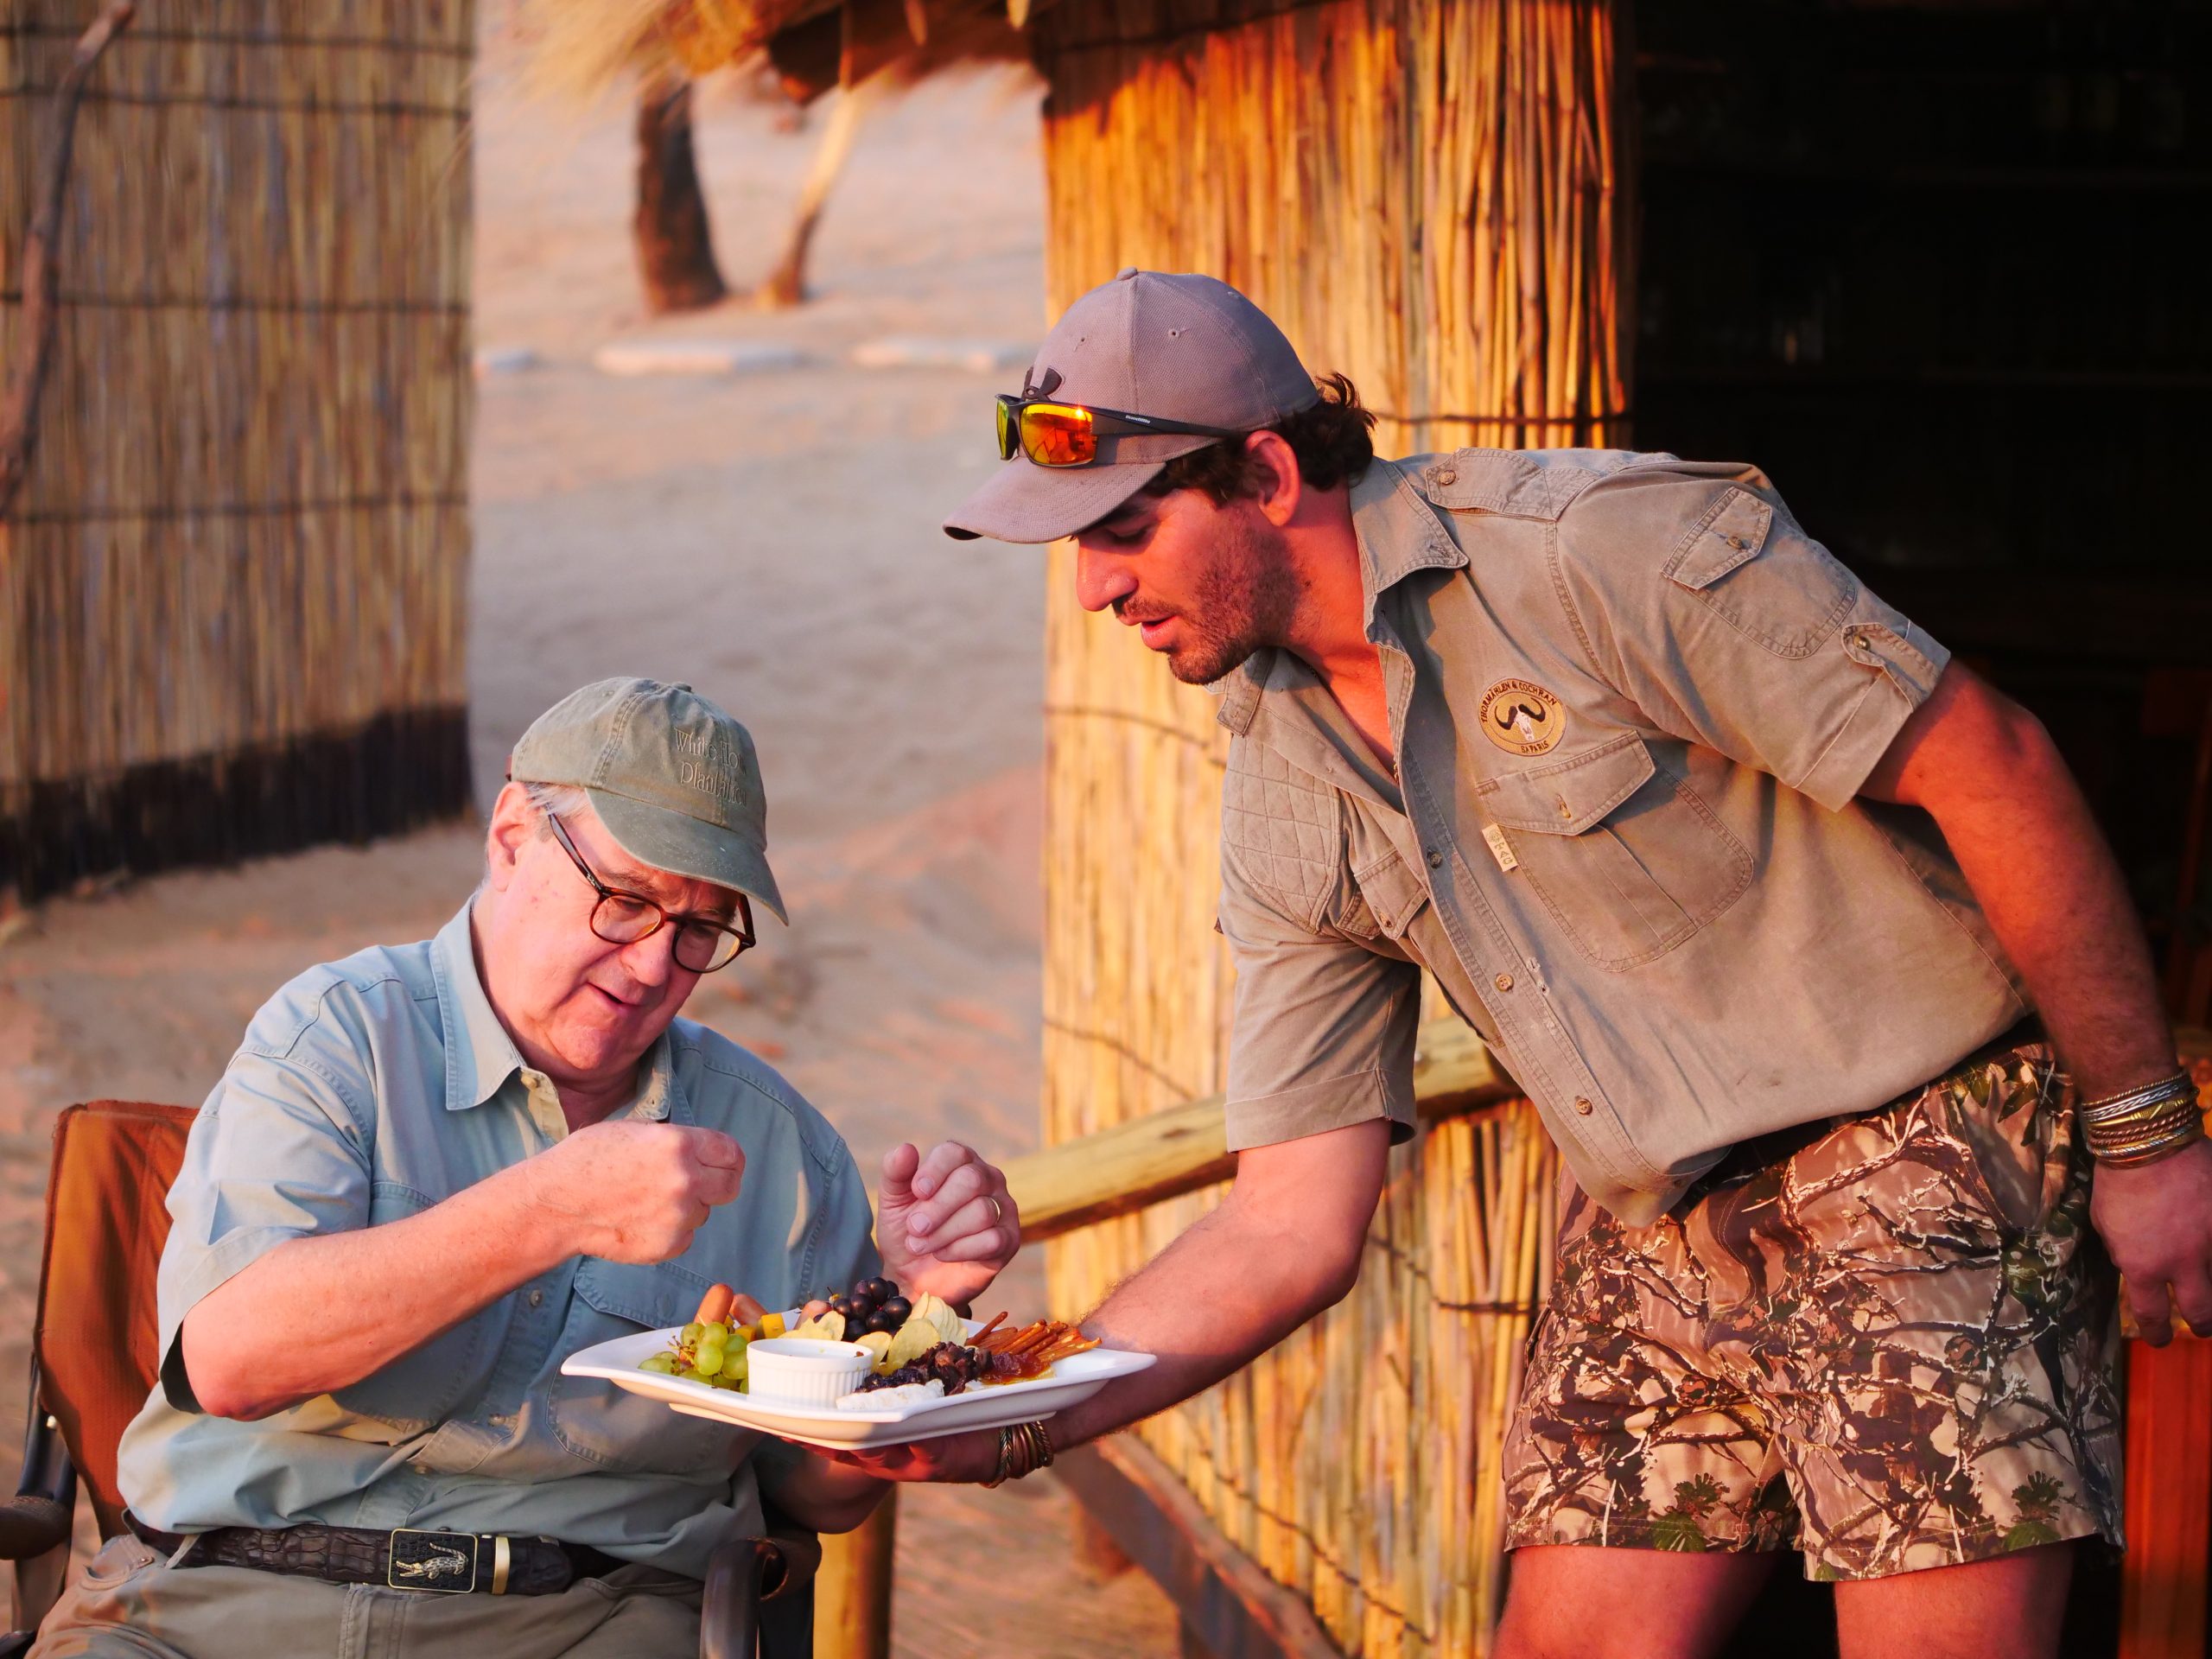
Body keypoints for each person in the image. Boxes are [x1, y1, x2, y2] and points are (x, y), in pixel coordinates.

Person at [844, 270, 2210, 1658]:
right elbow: (1285, 1222)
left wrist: (2147, 1136)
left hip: (1924, 1146)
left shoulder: (1594, 550)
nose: (1092, 587)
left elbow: (1997, 766)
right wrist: (1012, 1418)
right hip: (1655, 1216)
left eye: (1125, 529)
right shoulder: (1279, 775)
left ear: (1266, 475)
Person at [31, 677, 1022, 1659]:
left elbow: (815, 1497)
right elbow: (232, 1361)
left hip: (586, 1619)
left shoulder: (783, 1152)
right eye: (625, 902)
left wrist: (909, 1328)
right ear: (511, 837)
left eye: (699, 929)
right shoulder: (338, 1038)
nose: (655, 967)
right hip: (226, 1600)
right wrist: (550, 1209)